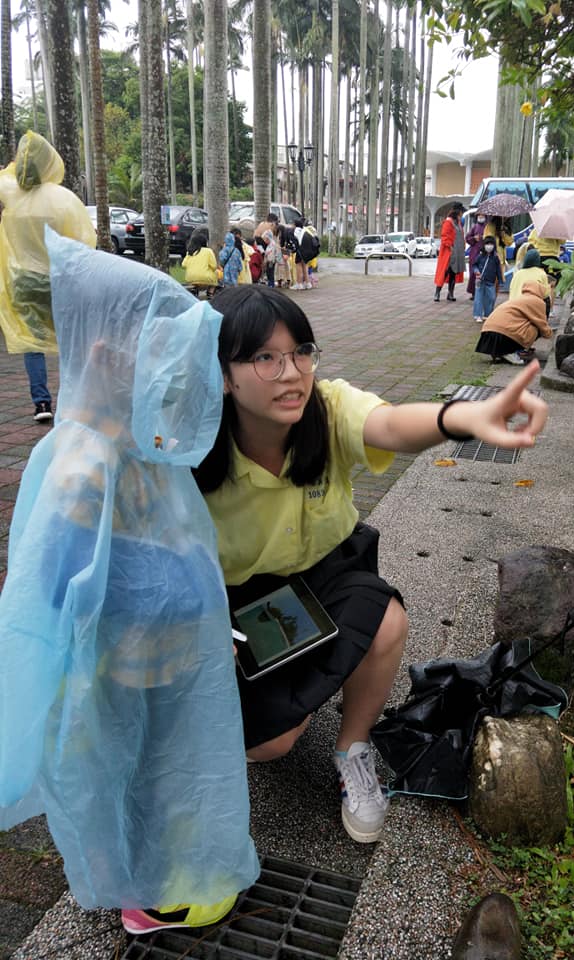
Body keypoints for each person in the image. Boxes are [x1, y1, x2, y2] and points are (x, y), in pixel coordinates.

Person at [193, 285, 547, 844]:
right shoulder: (194, 448)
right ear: (221, 370)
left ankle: (352, 748)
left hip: (323, 572)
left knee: (386, 621)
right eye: (265, 357)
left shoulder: (327, 408)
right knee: (273, 743)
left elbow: (387, 425)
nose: (292, 373)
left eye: (301, 351)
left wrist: (464, 416)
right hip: (235, 600)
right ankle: (290, 707)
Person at [0, 231, 259, 933]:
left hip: (163, 656)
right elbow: (55, 585)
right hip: (117, 666)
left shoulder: (130, 440)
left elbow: (167, 539)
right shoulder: (83, 464)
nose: (173, 381)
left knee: (163, 763)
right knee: (125, 768)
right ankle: (139, 891)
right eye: (160, 361)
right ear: (105, 356)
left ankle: (161, 862)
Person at [0, 131, 96, 422]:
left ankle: (42, 404)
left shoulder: (9, 191)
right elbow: (83, 242)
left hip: (22, 281)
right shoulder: (63, 199)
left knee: (32, 342)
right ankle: (72, 402)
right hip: (58, 280)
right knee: (69, 341)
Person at [475, 279, 552, 365]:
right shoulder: (537, 301)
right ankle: (509, 351)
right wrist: (549, 335)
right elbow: (541, 323)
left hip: (488, 332)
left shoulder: (520, 298)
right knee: (535, 328)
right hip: (503, 334)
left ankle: (500, 351)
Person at [433, 202, 466, 302]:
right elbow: (445, 236)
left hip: (458, 252)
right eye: (461, 212)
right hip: (450, 252)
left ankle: (450, 294)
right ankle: (437, 293)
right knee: (445, 272)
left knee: (453, 273)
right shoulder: (448, 222)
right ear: (457, 212)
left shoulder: (459, 223)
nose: (462, 214)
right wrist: (449, 246)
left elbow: (461, 236)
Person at [508, 248, 552, 317]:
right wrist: (550, 286)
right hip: (529, 307)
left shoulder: (518, 273)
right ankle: (543, 322)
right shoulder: (541, 273)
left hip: (512, 305)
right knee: (547, 299)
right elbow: (545, 294)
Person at [472, 234, 504, 324]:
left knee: (491, 297)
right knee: (478, 298)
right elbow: (474, 265)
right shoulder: (480, 256)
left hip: (491, 281)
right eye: (487, 244)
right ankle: (478, 315)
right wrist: (476, 271)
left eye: (491, 244)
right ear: (484, 245)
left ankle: (487, 314)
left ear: (494, 246)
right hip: (480, 280)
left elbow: (498, 270)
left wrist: (501, 281)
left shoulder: (495, 258)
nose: (489, 246)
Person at [465, 215, 487, 299]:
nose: (481, 217)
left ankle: (483, 292)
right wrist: (474, 238)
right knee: (474, 273)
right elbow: (467, 238)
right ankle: (474, 293)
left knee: (484, 272)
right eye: (479, 216)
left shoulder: (487, 227)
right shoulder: (474, 227)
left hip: (484, 252)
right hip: (474, 253)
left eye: (482, 216)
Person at [292, 218, 310, 290]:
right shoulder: (304, 230)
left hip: (300, 250)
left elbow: (295, 242)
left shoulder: (296, 231)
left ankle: (299, 284)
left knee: (298, 266)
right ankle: (307, 283)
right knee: (305, 266)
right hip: (306, 250)